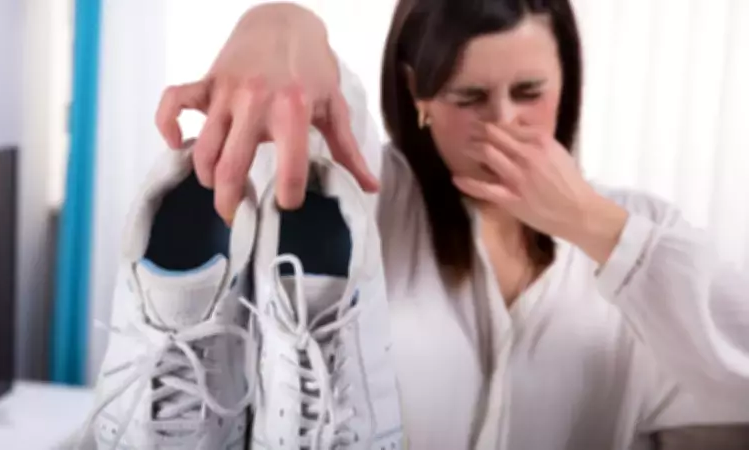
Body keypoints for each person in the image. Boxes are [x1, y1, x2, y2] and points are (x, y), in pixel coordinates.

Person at [154, 0, 749, 448]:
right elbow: (314, 98)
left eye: (529, 92)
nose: (503, 122)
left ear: (566, 81)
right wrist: (277, 22)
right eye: (469, 98)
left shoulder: (642, 231)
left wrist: (591, 224)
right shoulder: (373, 196)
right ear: (419, 94)